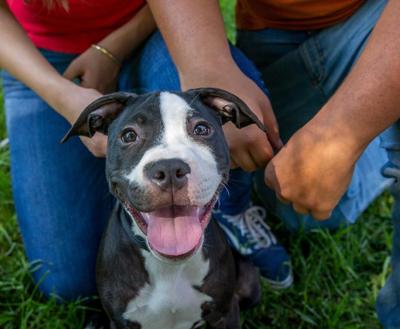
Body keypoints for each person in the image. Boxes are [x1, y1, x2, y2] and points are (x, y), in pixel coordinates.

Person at [0, 0, 291, 306]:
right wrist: (63, 95)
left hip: (156, 26)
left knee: (222, 110)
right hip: (41, 56)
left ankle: (230, 207)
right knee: (65, 283)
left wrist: (110, 51)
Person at [145, 0, 400, 327]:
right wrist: (207, 68)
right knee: (303, 203)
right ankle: (379, 131)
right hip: (278, 33)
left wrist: (343, 132)